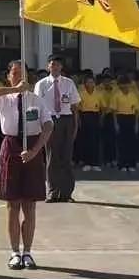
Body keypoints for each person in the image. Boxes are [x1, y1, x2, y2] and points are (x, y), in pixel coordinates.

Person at [0, 60, 55, 270]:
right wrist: (13, 89)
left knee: (29, 205)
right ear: (9, 76)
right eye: (14, 73)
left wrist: (35, 151)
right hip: (11, 145)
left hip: (32, 147)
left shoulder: (36, 100)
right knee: (12, 204)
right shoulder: (4, 99)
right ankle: (15, 252)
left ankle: (28, 252)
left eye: (21, 73)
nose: (18, 76)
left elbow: (48, 125)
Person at [33, 55, 80, 202]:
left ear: (62, 67)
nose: (56, 67)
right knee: (51, 157)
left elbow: (74, 106)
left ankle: (66, 193)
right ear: (48, 66)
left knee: (66, 157)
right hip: (49, 120)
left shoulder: (68, 83)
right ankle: (53, 192)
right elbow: (36, 107)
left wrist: (75, 125)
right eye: (53, 65)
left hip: (66, 119)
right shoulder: (41, 84)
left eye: (58, 65)